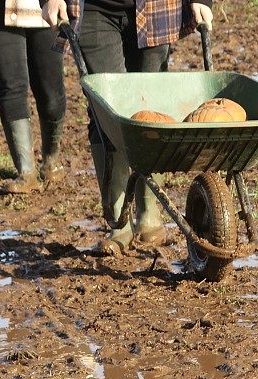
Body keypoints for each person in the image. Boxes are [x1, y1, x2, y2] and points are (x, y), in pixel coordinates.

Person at [40, 0, 213, 255]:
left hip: (158, 8)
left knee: (152, 108)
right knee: (106, 110)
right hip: (94, 10)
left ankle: (150, 215)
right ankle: (119, 224)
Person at [0, 0, 68, 194]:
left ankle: (51, 161)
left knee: (50, 90)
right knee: (10, 86)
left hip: (45, 7)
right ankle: (26, 173)